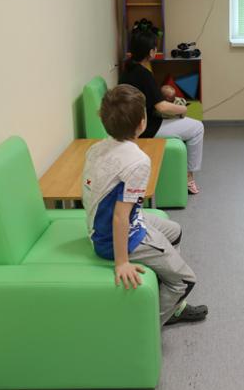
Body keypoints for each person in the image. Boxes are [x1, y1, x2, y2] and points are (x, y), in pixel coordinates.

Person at [82, 84, 207, 325]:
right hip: (114, 237)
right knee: (185, 280)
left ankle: (167, 297)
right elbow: (120, 217)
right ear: (142, 123)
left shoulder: (96, 148)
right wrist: (122, 262)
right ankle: (147, 328)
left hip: (101, 226)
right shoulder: (138, 161)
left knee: (175, 232)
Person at [119, 30, 205, 195]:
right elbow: (162, 107)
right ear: (151, 52)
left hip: (136, 123)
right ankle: (188, 177)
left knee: (186, 123)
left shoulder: (128, 69)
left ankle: (186, 174)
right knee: (197, 127)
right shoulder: (144, 74)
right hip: (147, 127)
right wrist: (183, 109)